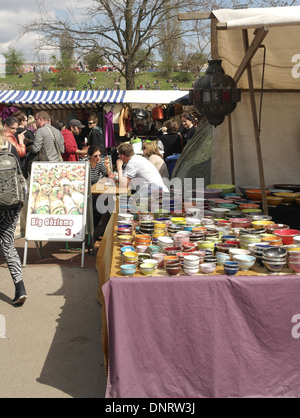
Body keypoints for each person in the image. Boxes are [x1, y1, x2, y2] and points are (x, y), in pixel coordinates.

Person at [0, 122, 27, 305]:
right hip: (13, 202)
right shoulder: (9, 146)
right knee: (8, 243)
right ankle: (20, 288)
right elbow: (19, 171)